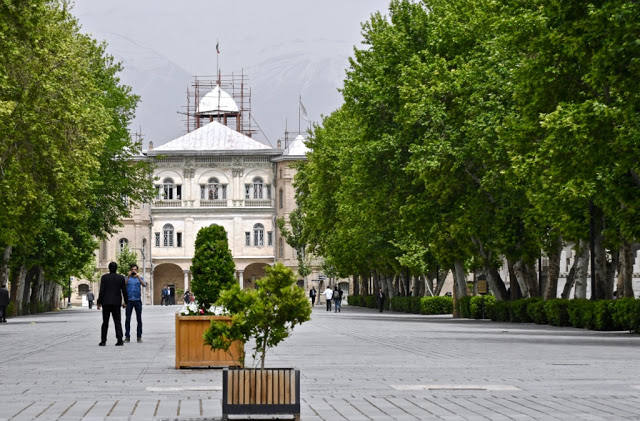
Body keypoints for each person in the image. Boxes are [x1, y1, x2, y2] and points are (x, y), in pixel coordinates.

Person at [97, 262, 128, 346]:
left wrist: (99, 302)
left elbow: (102, 290)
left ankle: (103, 341)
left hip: (106, 302)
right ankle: (120, 340)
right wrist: (126, 302)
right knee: (117, 322)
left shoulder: (104, 277)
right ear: (116, 268)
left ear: (109, 268)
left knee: (105, 322)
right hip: (116, 303)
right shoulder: (121, 278)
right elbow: (124, 291)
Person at [124, 264, 147, 343]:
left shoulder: (140, 278)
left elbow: (144, 285)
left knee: (139, 319)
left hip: (137, 300)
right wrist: (129, 276)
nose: (134, 271)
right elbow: (124, 285)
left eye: (135, 269)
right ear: (130, 270)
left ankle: (139, 337)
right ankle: (127, 337)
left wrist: (138, 277)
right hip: (129, 301)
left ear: (137, 270)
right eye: (132, 269)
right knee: (127, 319)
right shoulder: (127, 278)